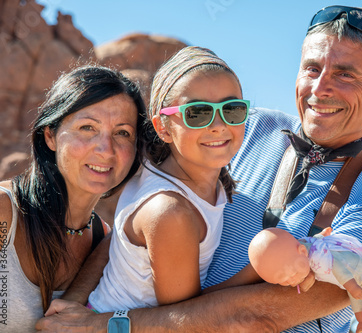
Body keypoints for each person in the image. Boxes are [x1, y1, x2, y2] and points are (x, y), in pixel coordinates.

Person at [37, 5, 362, 333]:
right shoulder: (240, 128)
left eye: (345, 74)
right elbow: (131, 227)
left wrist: (103, 325)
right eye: (312, 68)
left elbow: (256, 318)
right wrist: (74, 303)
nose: (320, 88)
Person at [85, 46, 248, 313]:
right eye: (198, 113)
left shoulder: (162, 171)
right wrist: (260, 272)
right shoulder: (170, 212)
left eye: (232, 109)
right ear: (163, 127)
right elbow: (185, 319)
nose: (218, 125)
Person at [0, 64, 147, 332]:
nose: (106, 149)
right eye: (87, 127)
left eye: (122, 132)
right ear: (50, 136)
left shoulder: (107, 242)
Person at [246, 227, 362, 333]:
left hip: (352, 267)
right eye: (282, 281)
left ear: (303, 252)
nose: (292, 280)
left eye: (293, 273)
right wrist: (324, 233)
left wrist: (351, 285)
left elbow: (336, 265)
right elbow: (315, 238)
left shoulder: (318, 257)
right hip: (341, 277)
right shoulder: (299, 250)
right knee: (353, 298)